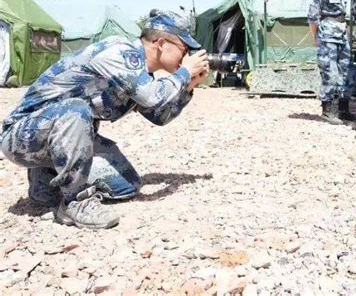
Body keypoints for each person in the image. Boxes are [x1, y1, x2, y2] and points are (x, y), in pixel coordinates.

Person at [0, 11, 209, 229]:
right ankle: (75, 202)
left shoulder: (140, 74)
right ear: (162, 43)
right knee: (76, 110)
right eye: (184, 50)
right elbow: (151, 96)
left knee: (127, 185)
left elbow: (159, 116)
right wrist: (184, 72)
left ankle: (46, 183)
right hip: (22, 136)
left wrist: (189, 85)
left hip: (64, 136)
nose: (186, 57)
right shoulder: (119, 52)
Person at [308, 0, 356, 124]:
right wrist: (316, 37)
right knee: (330, 71)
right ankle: (327, 110)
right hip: (328, 35)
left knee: (347, 70)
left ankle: (344, 109)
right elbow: (313, 17)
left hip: (342, 33)